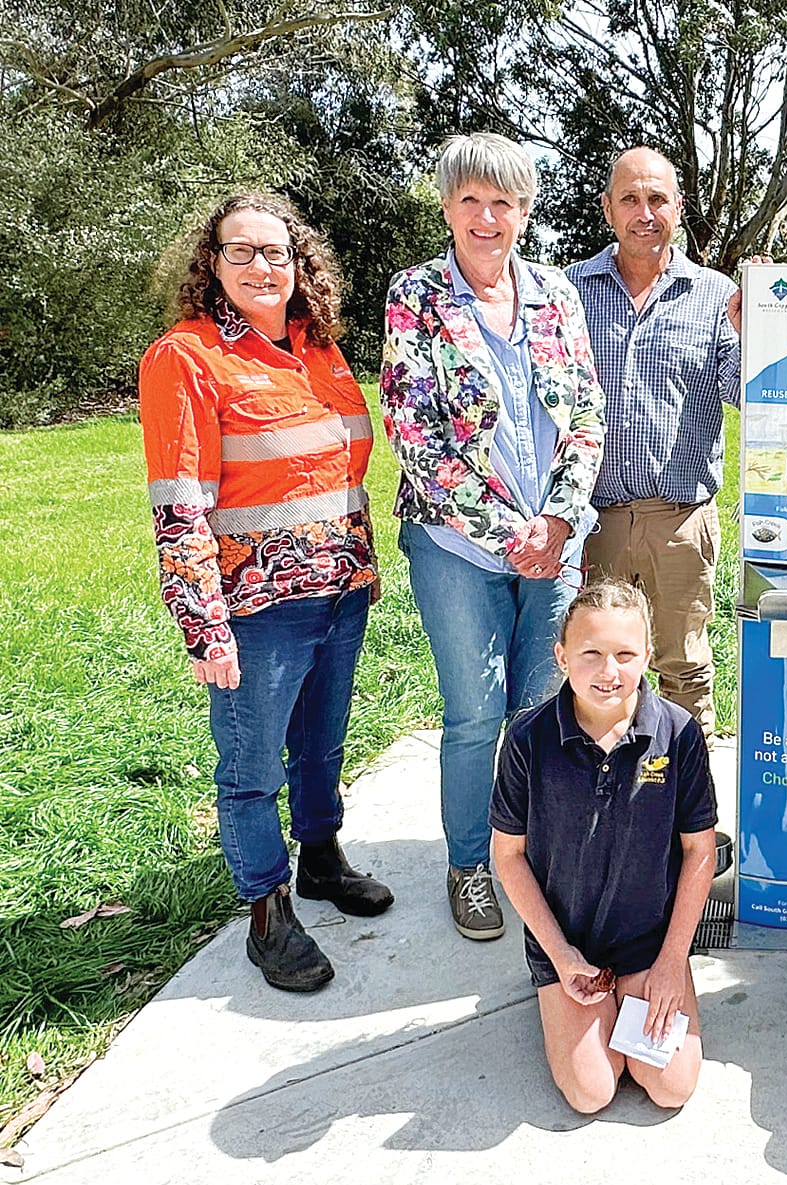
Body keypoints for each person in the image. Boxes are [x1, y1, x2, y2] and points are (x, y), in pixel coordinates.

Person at [139, 191, 392, 993]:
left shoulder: (321, 349)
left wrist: (362, 564)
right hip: (256, 606)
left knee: (321, 746)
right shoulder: (186, 357)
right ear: (211, 265)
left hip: (339, 589)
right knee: (252, 766)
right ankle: (268, 909)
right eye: (240, 251)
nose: (260, 266)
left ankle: (320, 858)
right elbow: (179, 504)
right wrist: (203, 624)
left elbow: (341, 471)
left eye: (275, 252)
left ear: (299, 263)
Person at [381, 132, 605, 941]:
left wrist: (558, 520)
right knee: (476, 713)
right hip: (457, 548)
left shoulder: (555, 294)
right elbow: (414, 431)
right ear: (446, 206)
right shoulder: (416, 294)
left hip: (556, 541)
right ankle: (471, 864)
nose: (486, 216)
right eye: (470, 200)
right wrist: (512, 532)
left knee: (543, 705)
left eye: (502, 201)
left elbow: (586, 414)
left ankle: (533, 854)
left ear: (524, 210)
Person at [490, 579, 717, 1113]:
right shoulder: (527, 737)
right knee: (593, 1091)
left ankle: (642, 986)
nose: (608, 671)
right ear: (562, 656)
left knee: (669, 1086)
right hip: (569, 944)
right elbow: (509, 856)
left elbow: (699, 854)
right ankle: (559, 997)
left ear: (647, 657)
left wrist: (669, 963)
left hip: (647, 942)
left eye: (625, 655)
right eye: (590, 653)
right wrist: (561, 955)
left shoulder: (677, 733)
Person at [566, 147, 743, 748]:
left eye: (658, 199)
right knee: (597, 672)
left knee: (686, 668)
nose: (646, 212)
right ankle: (600, 806)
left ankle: (687, 816)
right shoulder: (566, 293)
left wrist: (761, 331)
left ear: (678, 207)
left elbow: (744, 393)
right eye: (631, 199)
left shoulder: (716, 296)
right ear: (609, 208)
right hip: (593, 520)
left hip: (680, 522)